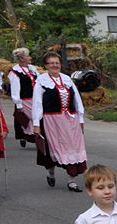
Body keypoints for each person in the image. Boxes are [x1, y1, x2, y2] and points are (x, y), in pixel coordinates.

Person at [32, 51, 87, 192]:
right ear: (46, 65)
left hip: (70, 119)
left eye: (57, 63)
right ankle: (51, 172)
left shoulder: (67, 80)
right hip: (52, 121)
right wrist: (36, 124)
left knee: (73, 147)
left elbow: (77, 100)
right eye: (51, 63)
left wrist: (81, 119)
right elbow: (37, 104)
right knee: (52, 148)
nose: (55, 65)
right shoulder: (41, 81)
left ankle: (72, 181)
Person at [9, 47, 39, 149]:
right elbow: (15, 88)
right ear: (22, 58)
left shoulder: (32, 69)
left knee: (38, 117)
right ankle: (27, 136)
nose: (30, 57)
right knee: (29, 119)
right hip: (25, 99)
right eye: (28, 56)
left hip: (35, 98)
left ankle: (38, 138)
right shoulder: (15, 72)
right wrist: (18, 103)